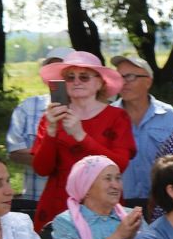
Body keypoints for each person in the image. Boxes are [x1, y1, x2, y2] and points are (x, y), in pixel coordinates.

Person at [30, 51, 137, 229]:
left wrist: (81, 136)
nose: (76, 81)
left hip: (103, 207)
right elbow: (42, 169)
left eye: (84, 76)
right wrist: (50, 131)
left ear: (100, 82)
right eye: (70, 77)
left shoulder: (117, 117)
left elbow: (120, 165)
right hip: (58, 207)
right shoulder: (52, 116)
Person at [112, 54, 173, 204]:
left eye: (129, 77)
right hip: (117, 204)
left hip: (161, 202)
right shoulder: (108, 116)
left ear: (148, 81)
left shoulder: (170, 116)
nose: (123, 83)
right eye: (119, 77)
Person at [6, 75, 51, 215]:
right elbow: (15, 152)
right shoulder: (29, 106)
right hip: (35, 200)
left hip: (78, 205)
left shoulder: (91, 111)